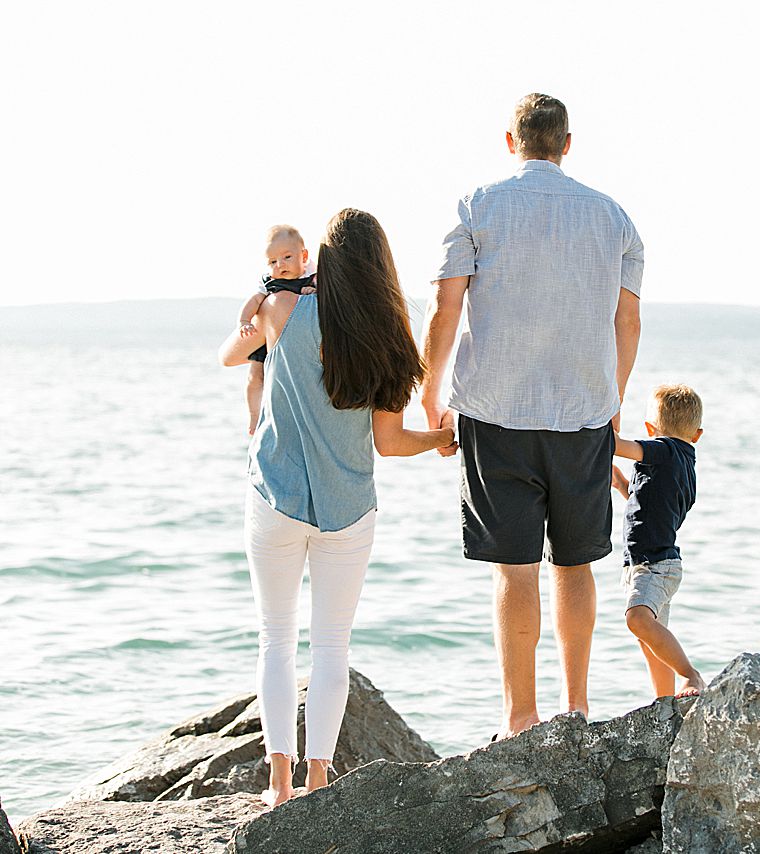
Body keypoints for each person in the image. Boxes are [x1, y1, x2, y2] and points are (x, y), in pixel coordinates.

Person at [422, 93, 644, 740]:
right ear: (567, 143)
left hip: (494, 415)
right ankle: (575, 707)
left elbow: (445, 308)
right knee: (575, 565)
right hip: (582, 412)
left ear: (511, 141)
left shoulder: (476, 206)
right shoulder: (614, 218)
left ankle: (521, 717)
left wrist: (430, 396)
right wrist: (612, 402)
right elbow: (627, 322)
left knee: (515, 569)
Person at [219, 208, 455, 809]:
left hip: (275, 496)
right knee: (331, 647)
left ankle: (276, 783)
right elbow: (389, 442)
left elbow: (229, 354)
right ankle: (318, 780)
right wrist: (439, 440)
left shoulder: (282, 312)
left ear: (324, 261)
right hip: (347, 509)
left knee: (276, 639)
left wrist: (257, 302)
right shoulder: (387, 338)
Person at [611, 384, 706, 699]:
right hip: (653, 563)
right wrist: (623, 485)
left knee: (638, 619)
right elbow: (650, 505)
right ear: (697, 434)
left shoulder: (661, 450)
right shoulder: (684, 464)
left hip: (653, 564)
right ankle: (664, 701)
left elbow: (617, 445)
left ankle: (691, 676)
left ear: (651, 429)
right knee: (651, 636)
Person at [236, 225, 317, 435]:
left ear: (304, 255)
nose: (280, 265)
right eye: (272, 261)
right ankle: (254, 416)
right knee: (254, 376)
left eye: (287, 257)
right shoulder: (270, 282)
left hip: (292, 346)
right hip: (267, 340)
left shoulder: (313, 275)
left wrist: (314, 290)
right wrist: (244, 321)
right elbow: (254, 300)